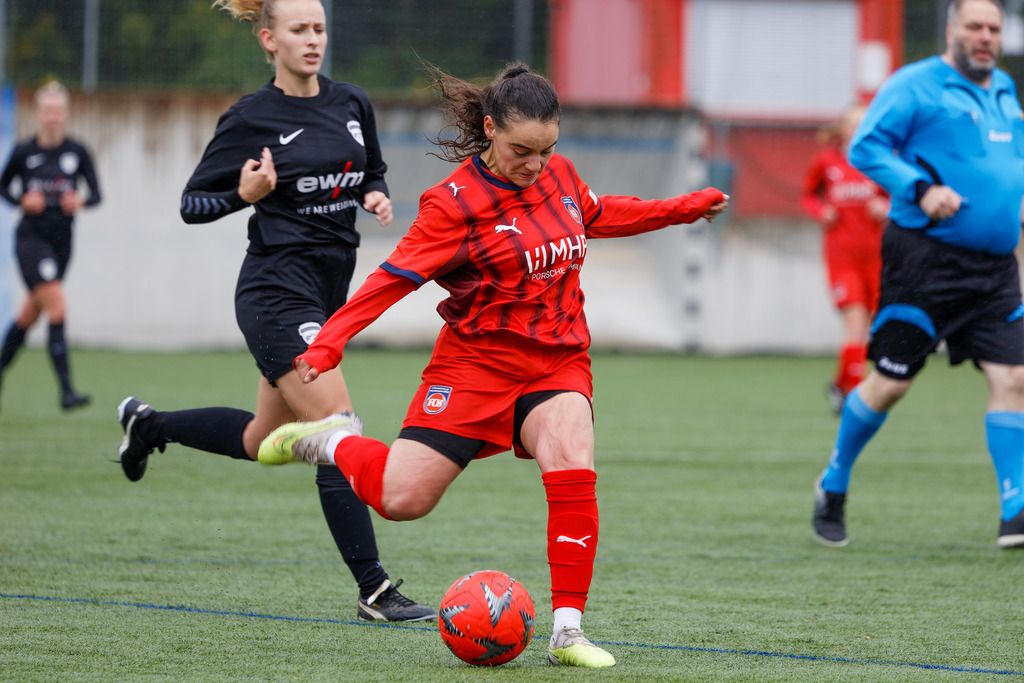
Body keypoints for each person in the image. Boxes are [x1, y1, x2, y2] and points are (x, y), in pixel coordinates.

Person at [257, 61, 728, 668]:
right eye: (521, 150)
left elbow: (598, 213)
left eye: (547, 149)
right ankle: (330, 442)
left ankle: (567, 632)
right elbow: (390, 280)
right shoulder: (451, 205)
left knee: (572, 457)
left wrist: (681, 209)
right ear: (489, 130)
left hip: (557, 359)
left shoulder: (556, 173)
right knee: (402, 499)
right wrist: (328, 342)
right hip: (474, 367)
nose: (535, 164)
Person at [114, 0, 434, 622]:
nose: (313, 40)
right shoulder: (252, 117)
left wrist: (373, 194)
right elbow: (191, 204)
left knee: (261, 441)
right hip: (274, 294)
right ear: (269, 40)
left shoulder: (351, 102)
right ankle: (375, 592)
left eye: (319, 28)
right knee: (339, 430)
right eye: (299, 30)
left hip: (325, 297)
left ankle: (149, 426)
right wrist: (244, 193)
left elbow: (373, 170)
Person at [812, 0, 1024, 550]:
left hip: (996, 269)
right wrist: (920, 190)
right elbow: (865, 147)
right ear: (951, 29)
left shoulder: (1003, 88)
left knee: (1015, 378)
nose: (985, 36)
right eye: (974, 26)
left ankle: (1015, 510)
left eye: (994, 28)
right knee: (891, 385)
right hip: (925, 262)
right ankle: (833, 482)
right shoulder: (915, 85)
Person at [0, 81, 100, 412]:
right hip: (30, 239)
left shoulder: (77, 151)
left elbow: (96, 195)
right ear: (38, 113)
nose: (53, 116)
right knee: (57, 307)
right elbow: (4, 188)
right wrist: (22, 200)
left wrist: (79, 203)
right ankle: (67, 392)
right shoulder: (24, 151)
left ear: (65, 113)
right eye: (47, 110)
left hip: (63, 242)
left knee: (30, 313)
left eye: (58, 110)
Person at [801, 105, 888, 414]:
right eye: (854, 124)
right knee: (855, 322)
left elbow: (895, 196)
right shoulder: (828, 160)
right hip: (842, 257)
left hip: (875, 257)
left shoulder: (878, 160)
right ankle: (854, 395)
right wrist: (820, 211)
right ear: (844, 129)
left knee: (870, 328)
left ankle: (841, 386)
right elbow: (808, 194)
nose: (859, 129)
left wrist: (885, 207)